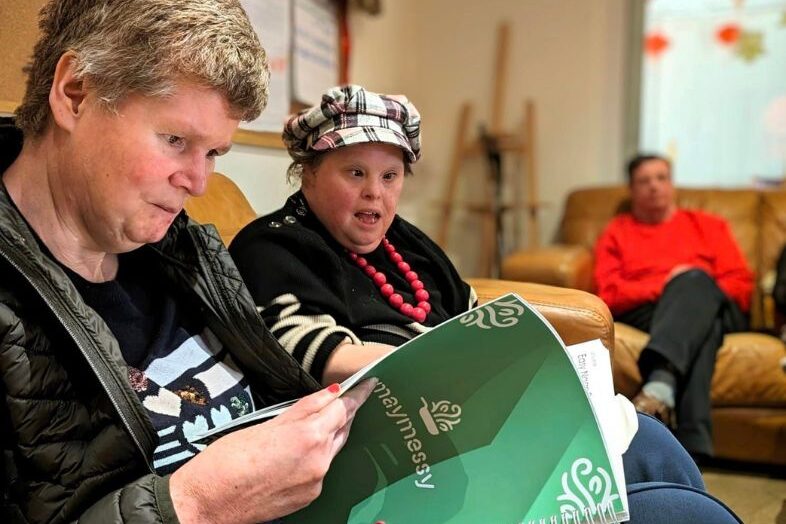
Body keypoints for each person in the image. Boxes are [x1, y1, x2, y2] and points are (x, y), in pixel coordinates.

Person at [229, 85, 742, 522]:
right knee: (682, 511)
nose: (376, 196)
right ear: (309, 171)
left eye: (390, 177)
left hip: (471, 414)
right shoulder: (272, 246)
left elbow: (475, 317)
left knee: (650, 443)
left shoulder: (407, 243)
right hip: (403, 449)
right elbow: (320, 357)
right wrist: (455, 368)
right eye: (355, 173)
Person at [0, 2, 378, 523]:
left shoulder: (184, 253)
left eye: (214, 153)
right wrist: (198, 505)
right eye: (175, 140)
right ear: (75, 94)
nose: (198, 183)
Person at [593, 153, 754, 459]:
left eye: (661, 178)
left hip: (715, 304)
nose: (654, 186)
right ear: (631, 189)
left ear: (672, 184)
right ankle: (695, 446)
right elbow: (609, 292)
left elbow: (740, 285)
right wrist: (667, 285)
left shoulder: (708, 225)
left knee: (695, 282)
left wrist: (691, 286)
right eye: (644, 181)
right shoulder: (618, 231)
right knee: (704, 326)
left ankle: (658, 385)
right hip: (651, 311)